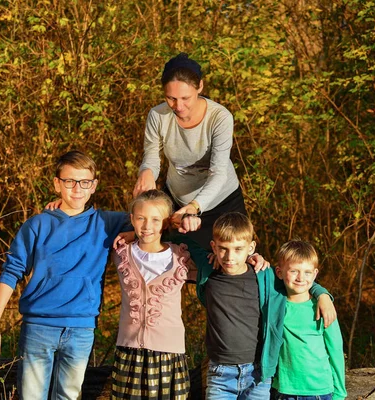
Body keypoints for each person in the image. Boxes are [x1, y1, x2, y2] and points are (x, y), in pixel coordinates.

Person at [0, 151, 132, 400]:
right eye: (69, 181)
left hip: (81, 328)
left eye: (84, 182)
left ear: (94, 185)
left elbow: (152, 220)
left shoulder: (107, 223)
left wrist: (130, 234)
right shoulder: (37, 225)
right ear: (56, 184)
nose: (77, 188)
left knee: (68, 396)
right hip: (38, 327)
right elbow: (10, 274)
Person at [196, 212, 337, 400]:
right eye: (223, 249)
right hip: (221, 374)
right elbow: (177, 240)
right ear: (214, 247)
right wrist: (182, 218)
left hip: (258, 374)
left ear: (251, 247)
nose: (230, 257)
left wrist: (322, 294)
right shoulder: (209, 271)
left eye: (238, 249)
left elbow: (296, 279)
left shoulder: (264, 276)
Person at [133, 52, 245, 249]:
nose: (178, 106)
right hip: (177, 199)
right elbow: (151, 156)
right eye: (171, 98)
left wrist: (194, 206)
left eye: (185, 98)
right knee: (175, 261)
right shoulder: (157, 115)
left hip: (221, 202)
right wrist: (146, 172)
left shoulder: (220, 118)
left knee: (225, 264)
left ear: (200, 86)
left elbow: (218, 172)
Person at [111, 189, 198, 399]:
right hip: (129, 350)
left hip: (169, 353)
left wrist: (253, 256)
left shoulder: (182, 257)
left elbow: (221, 256)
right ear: (132, 219)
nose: (147, 226)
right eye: (141, 218)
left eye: (155, 219)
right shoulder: (120, 253)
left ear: (166, 222)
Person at [272, 240, 347, 400]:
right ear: (279, 272)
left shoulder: (323, 308)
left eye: (307, 272)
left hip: (319, 391)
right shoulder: (275, 305)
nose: (300, 277)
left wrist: (340, 392)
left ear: (315, 274)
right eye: (294, 271)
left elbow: (335, 349)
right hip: (285, 391)